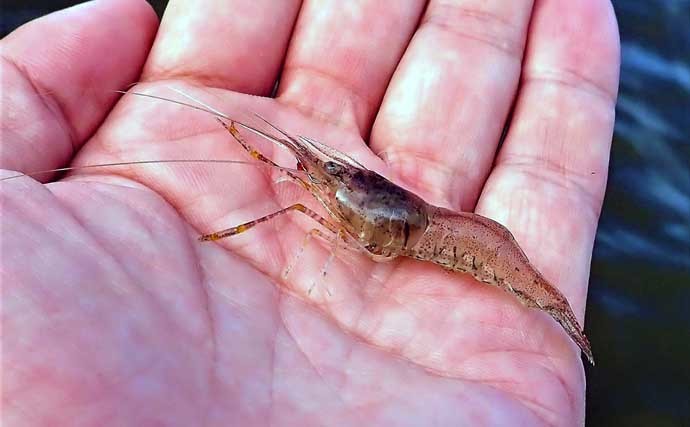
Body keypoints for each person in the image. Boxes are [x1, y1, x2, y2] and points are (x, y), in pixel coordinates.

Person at [1, 0, 620, 424]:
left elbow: (363, 224)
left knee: (294, 201)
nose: (314, 173)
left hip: (438, 234)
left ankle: (562, 320)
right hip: (422, 223)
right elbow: (341, 188)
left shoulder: (428, 236)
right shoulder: (343, 189)